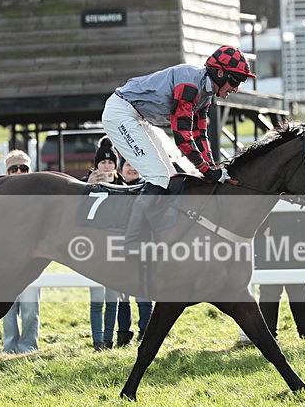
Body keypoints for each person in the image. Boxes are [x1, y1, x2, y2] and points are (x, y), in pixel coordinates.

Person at [101, 45, 254, 255]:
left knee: (170, 176)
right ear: (220, 73)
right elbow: (183, 137)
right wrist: (207, 171)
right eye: (235, 81)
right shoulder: (190, 86)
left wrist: (212, 167)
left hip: (138, 118)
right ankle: (130, 241)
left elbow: (200, 135)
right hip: (121, 114)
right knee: (158, 176)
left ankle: (155, 232)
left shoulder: (206, 94)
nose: (236, 88)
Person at [84, 139, 125, 350]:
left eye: (110, 163)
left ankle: (109, 339)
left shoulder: (123, 186)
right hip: (93, 246)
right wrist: (88, 184)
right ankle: (97, 339)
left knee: (112, 298)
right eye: (103, 163)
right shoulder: (87, 183)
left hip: (116, 245)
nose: (107, 166)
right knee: (96, 298)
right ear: (97, 165)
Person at [0, 150, 41, 354]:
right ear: (7, 172)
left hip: (31, 260)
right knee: (6, 309)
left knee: (30, 309)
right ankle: (9, 347)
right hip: (4, 260)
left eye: (23, 168)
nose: (18, 172)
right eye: (13, 168)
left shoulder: (39, 196)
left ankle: (28, 347)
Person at [255, 212, 305, 341]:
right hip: (269, 242)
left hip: (298, 240)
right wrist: (264, 226)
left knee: (298, 290)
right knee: (269, 290)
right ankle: (269, 338)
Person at [115, 158, 154, 346]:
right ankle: (123, 334)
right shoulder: (113, 189)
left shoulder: (148, 189)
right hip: (116, 245)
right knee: (122, 293)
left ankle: (146, 332)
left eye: (135, 165)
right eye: (128, 165)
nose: (132, 168)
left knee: (143, 292)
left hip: (143, 245)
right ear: (121, 169)